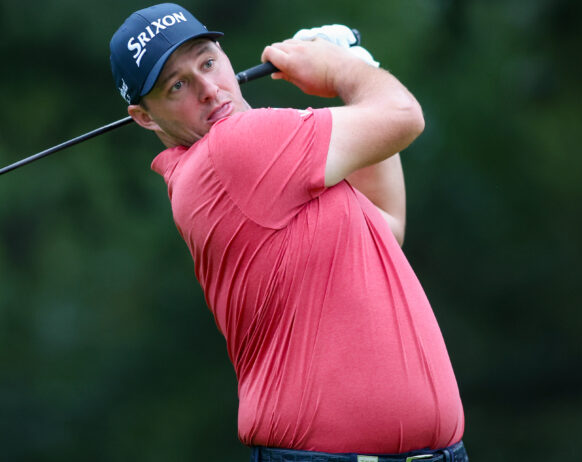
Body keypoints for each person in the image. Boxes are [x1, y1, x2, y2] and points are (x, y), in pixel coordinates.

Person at [109, 4, 467, 461]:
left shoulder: (251, 172)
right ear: (145, 118)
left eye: (208, 62)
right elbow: (403, 117)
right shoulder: (233, 148)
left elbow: (383, 222)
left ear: (224, 54)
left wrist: (361, 70)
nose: (207, 89)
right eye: (176, 85)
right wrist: (343, 69)